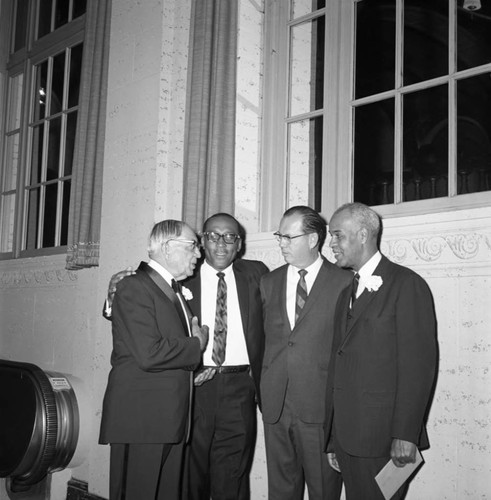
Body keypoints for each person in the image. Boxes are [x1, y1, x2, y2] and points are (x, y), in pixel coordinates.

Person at [325, 202, 438, 500]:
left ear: (363, 235)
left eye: (337, 235)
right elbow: (340, 365)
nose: (331, 244)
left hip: (384, 439)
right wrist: (333, 438)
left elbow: (418, 367)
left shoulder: (407, 284)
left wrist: (405, 433)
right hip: (348, 438)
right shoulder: (344, 293)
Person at [99, 220, 209, 500]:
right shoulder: (135, 286)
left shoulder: (171, 290)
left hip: (168, 420)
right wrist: (196, 345)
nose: (199, 253)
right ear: (168, 247)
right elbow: (149, 354)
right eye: (193, 246)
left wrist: (191, 369)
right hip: (142, 421)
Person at [260, 205, 352, 500]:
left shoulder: (344, 282)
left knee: (324, 490)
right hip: (275, 407)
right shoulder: (268, 282)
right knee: (281, 491)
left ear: (313, 239)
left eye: (288, 237)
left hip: (320, 409)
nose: (281, 243)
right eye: (279, 236)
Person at [182, 212, 269, 500]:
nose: (221, 244)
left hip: (240, 387)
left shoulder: (256, 274)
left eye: (229, 237)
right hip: (195, 386)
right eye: (213, 236)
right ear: (202, 241)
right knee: (189, 474)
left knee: (232, 474)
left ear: (239, 243)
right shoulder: (182, 276)